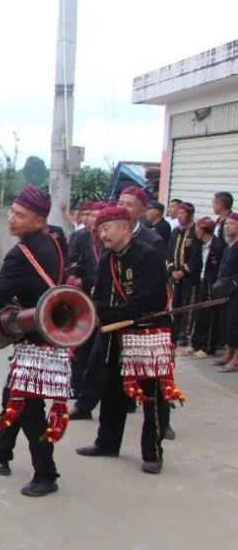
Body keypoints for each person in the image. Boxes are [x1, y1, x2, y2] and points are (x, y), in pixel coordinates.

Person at [0, 186, 66, 497]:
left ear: (38, 221)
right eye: (12, 211)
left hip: (35, 340)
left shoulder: (21, 254)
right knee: (13, 394)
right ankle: (0, 453)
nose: (11, 218)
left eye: (20, 215)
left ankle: (46, 473)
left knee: (29, 406)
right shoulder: (55, 240)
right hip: (50, 333)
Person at [76, 206, 177, 474]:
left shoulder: (149, 255)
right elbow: (100, 294)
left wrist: (106, 314)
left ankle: (153, 453)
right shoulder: (106, 259)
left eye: (106, 228)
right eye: (100, 230)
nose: (102, 235)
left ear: (124, 228)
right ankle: (107, 443)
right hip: (114, 334)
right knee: (111, 388)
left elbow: (148, 300)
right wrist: (93, 312)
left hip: (146, 334)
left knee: (152, 395)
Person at [67, 202, 104, 412]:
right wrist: (73, 277)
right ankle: (78, 388)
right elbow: (74, 261)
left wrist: (88, 281)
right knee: (82, 345)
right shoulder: (82, 237)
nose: (91, 219)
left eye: (95, 216)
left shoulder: (109, 242)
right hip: (85, 299)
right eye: (89, 215)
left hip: (104, 302)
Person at [189, 216, 227, 359]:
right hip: (201, 281)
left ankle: (207, 347)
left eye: (197, 228)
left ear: (201, 230)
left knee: (210, 316)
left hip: (213, 285)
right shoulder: (200, 244)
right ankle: (195, 344)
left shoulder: (218, 247)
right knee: (199, 314)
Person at [167, 202, 202, 350]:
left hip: (190, 276)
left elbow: (196, 256)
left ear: (190, 215)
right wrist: (172, 270)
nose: (180, 217)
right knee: (176, 303)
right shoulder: (176, 231)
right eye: (179, 214)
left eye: (183, 214)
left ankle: (184, 333)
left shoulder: (196, 232)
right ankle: (175, 330)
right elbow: (169, 251)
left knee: (188, 304)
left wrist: (184, 271)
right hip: (176, 276)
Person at [214, 213, 238, 371]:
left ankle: (236, 359)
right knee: (226, 322)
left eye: (232, 224)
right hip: (226, 291)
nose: (227, 227)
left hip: (236, 290)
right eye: (226, 224)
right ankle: (228, 353)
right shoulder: (229, 244)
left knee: (235, 323)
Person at [118, 187, 167, 256]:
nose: (123, 209)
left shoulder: (153, 241)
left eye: (129, 205)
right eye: (120, 204)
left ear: (143, 211)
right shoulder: (108, 235)